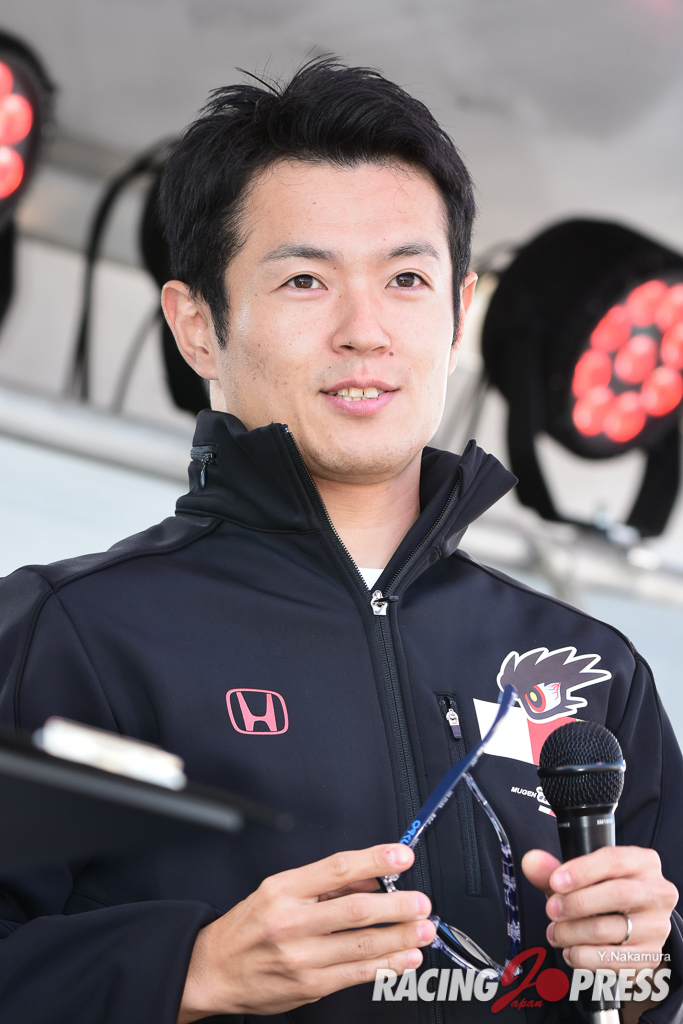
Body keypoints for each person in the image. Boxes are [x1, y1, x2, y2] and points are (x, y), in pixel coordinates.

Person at [0, 59, 680, 1024]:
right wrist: (190, 971)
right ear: (196, 327)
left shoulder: (590, 669)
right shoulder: (68, 632)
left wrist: (644, 968)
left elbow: (649, 993)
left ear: (458, 313)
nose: (365, 331)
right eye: (305, 279)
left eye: (406, 278)